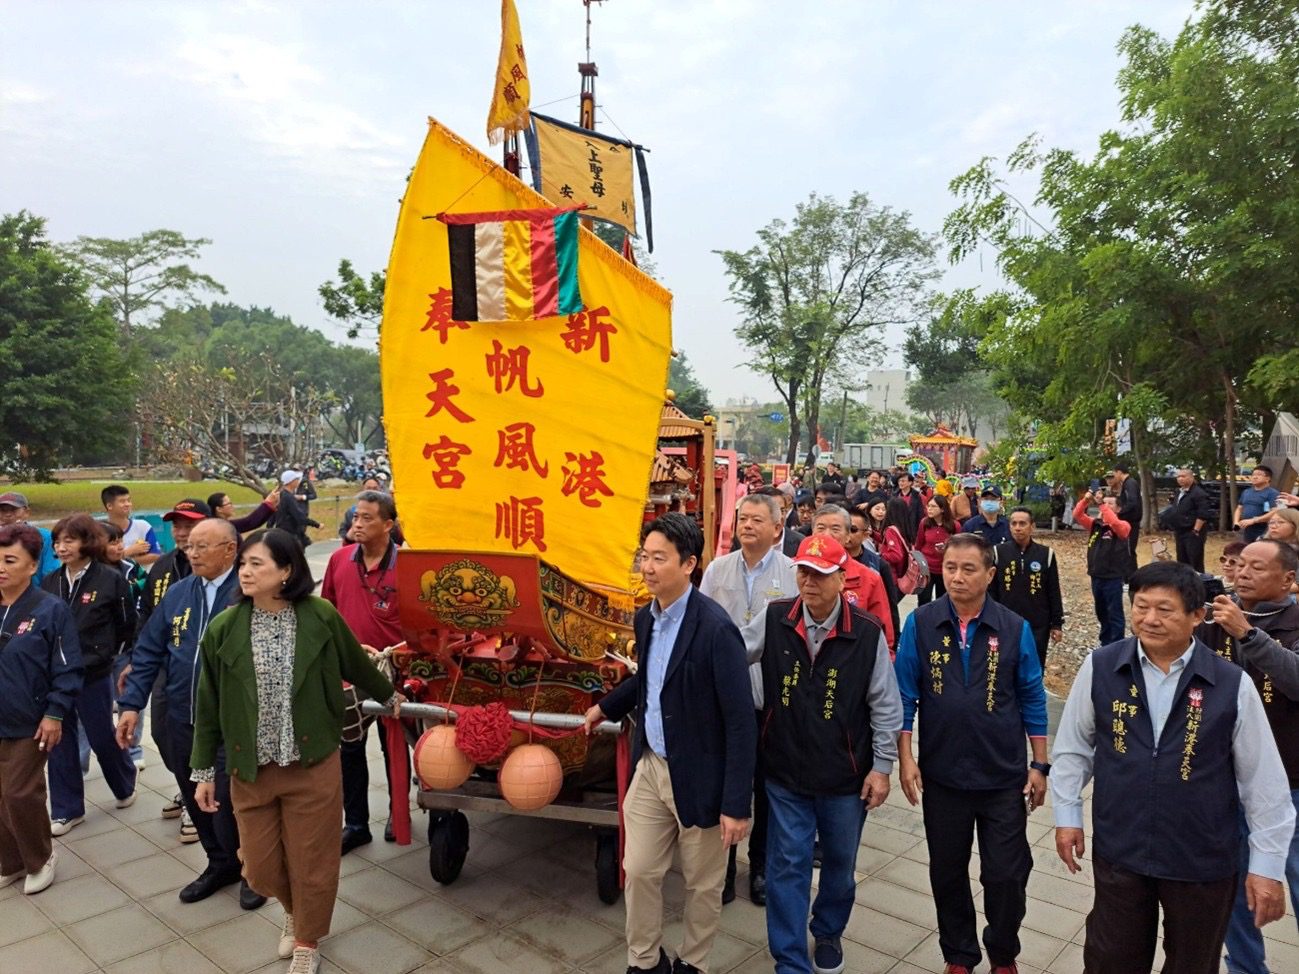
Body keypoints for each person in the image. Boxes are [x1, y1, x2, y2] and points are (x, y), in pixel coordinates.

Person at [1051, 561, 1294, 974]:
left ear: (1197, 615)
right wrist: (1068, 816)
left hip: (1201, 857)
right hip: (1121, 848)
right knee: (1111, 959)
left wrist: (1267, 867)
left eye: (1164, 610)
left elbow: (1263, 783)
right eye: (1141, 606)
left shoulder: (1231, 683)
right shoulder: (1102, 666)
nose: (1149, 619)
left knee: (1192, 963)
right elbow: (1074, 748)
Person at [193, 528, 402, 974]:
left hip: (311, 763)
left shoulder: (319, 615)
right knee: (260, 868)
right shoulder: (224, 628)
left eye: (257, 564)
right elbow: (207, 703)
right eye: (243, 563)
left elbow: (355, 662)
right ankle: (293, 908)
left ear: (286, 571)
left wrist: (389, 696)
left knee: (313, 861)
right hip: (252, 768)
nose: (245, 572)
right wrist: (203, 770)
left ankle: (307, 937)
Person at [583, 513, 755, 974]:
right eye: (645, 556)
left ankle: (693, 962)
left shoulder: (716, 630)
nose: (648, 567)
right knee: (639, 869)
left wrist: (736, 804)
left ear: (689, 564)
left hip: (701, 775)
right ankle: (644, 960)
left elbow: (741, 722)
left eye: (660, 558)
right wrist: (606, 707)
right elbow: (649, 679)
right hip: (653, 764)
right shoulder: (647, 618)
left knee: (703, 884)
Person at [894, 533, 1048, 974]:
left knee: (1006, 873)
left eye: (968, 569)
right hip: (943, 775)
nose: (957, 577)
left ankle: (1003, 951)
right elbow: (905, 694)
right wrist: (906, 758)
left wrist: (1039, 764)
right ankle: (959, 954)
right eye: (950, 568)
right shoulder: (921, 623)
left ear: (989, 574)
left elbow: (1032, 697)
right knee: (947, 871)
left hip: (1002, 776)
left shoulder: (1013, 628)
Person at [759, 533, 900, 974]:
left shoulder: (866, 633)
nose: (809, 582)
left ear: (842, 578)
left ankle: (827, 931)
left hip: (845, 777)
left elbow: (885, 705)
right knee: (787, 865)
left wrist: (881, 767)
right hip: (785, 771)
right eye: (803, 572)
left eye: (820, 574)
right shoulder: (775, 618)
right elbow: (732, 651)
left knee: (839, 864)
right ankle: (789, 958)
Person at [116, 518, 264, 909]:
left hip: (233, 722)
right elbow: (149, 650)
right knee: (193, 791)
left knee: (232, 798)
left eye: (201, 546)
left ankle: (252, 868)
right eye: (188, 547)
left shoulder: (250, 592)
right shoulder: (180, 593)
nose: (191, 553)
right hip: (183, 715)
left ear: (230, 550)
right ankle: (220, 862)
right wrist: (131, 705)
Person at [1192, 540, 1299, 973]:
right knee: (1232, 887)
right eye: (1240, 565)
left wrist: (1249, 635)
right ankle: (1246, 967)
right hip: (1225, 782)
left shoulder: (1291, 622)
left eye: (1257, 567)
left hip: (1291, 781)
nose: (1243, 573)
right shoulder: (1214, 618)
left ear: (1288, 579)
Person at [699, 493, 798, 907]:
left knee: (766, 787)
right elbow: (701, 624)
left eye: (758, 519)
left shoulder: (792, 573)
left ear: (778, 528)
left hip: (770, 697)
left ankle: (760, 867)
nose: (748, 525)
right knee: (725, 782)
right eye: (743, 519)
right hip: (723, 696)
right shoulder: (717, 569)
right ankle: (722, 869)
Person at [320, 490, 407, 853]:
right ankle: (356, 824)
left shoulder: (408, 565)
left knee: (394, 745)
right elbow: (326, 611)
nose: (357, 524)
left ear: (388, 525)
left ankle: (398, 813)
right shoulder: (340, 559)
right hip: (350, 673)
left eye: (367, 518)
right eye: (356, 516)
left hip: (396, 672)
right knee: (350, 749)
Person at [41, 515, 137, 836]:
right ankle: (67, 810)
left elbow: (126, 624)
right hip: (56, 674)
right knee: (59, 739)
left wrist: (112, 656)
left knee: (100, 734)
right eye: (58, 541)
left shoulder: (110, 580)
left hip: (93, 672)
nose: (61, 547)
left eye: (69, 540)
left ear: (87, 541)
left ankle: (124, 783)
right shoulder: (50, 581)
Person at [0, 524, 81, 895]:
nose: (1, 568)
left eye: (9, 560)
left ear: (32, 566)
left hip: (30, 721)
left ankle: (40, 858)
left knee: (19, 793)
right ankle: (11, 861)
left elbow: (68, 668)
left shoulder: (50, 610)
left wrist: (54, 713)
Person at [129, 497, 212, 835]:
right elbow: (147, 617)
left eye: (189, 524)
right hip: (167, 664)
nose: (181, 532)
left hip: (205, 667)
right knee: (164, 733)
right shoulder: (163, 566)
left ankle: (200, 799)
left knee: (200, 734)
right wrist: (136, 661)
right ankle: (188, 786)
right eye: (177, 525)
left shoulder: (221, 568)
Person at [812, 505, 894, 650]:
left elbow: (883, 633)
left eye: (835, 529)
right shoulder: (792, 569)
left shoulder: (870, 578)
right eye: (821, 528)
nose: (827, 535)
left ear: (847, 536)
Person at [991, 508, 1064, 670]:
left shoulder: (1046, 554)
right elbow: (992, 590)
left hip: (1037, 622)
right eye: (1014, 523)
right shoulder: (998, 552)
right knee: (1005, 664)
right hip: (1005, 621)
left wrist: (1056, 624)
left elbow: (1053, 590)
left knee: (1034, 665)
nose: (1018, 528)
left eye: (1022, 523)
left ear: (1032, 526)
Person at [1073, 489, 1132, 646]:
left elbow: (1115, 523)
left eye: (1110, 504)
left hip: (1112, 577)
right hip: (1096, 575)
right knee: (1101, 611)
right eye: (1104, 503)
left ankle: (1117, 644)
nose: (1105, 506)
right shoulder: (1096, 525)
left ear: (1118, 509)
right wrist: (1085, 500)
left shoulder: (1123, 526)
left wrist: (1101, 505)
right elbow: (1077, 515)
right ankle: (1105, 643)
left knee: (1115, 613)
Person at [0, 491, 59, 584]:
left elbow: (51, 572)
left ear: (26, 512)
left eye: (13, 510)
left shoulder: (44, 536)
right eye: (3, 510)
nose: (8, 514)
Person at [101, 484, 162, 567]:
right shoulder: (99, 532)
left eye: (129, 500)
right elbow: (101, 561)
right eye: (122, 501)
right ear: (109, 506)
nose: (127, 504)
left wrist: (123, 559)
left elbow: (155, 555)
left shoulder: (143, 526)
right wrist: (129, 552)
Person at [915, 495, 961, 606]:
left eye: (933, 506)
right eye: (928, 506)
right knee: (924, 600)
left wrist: (947, 549)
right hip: (926, 569)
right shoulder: (924, 523)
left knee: (943, 601)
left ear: (942, 509)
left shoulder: (954, 526)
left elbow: (959, 548)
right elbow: (918, 545)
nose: (929, 509)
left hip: (945, 569)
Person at [1170, 468, 1212, 572]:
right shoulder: (1178, 492)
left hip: (1193, 531)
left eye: (1183, 476)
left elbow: (1203, 514)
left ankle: (1197, 580)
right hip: (1180, 531)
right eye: (1178, 476)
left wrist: (1196, 530)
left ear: (1191, 478)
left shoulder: (1199, 493)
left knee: (1194, 560)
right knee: (1181, 560)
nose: (1180, 479)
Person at [1109, 460, 1142, 568]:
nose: (1114, 477)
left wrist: (1120, 512)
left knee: (1128, 550)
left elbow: (1132, 502)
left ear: (1119, 472)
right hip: (1128, 521)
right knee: (1125, 550)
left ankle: (1131, 575)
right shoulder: (1126, 484)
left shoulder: (1130, 483)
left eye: (1114, 474)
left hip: (1131, 522)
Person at [1235, 465, 1280, 544]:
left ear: (1267, 479)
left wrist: (1254, 520)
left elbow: (1275, 511)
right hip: (1245, 529)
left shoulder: (1273, 493)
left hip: (1263, 530)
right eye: (1253, 475)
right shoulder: (1246, 492)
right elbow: (1239, 508)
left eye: (1259, 474)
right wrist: (1236, 522)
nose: (1255, 477)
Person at [273, 471, 319, 548]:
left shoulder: (282, 494)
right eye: (296, 479)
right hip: (289, 534)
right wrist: (316, 524)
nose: (298, 481)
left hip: (284, 531)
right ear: (291, 481)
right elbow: (299, 517)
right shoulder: (288, 497)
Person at [876, 497, 916, 580]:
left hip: (892, 574)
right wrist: (873, 534)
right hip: (904, 572)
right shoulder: (904, 528)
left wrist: (880, 555)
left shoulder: (891, 530)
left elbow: (896, 555)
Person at [208, 489, 279, 533]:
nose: (232, 506)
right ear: (219, 509)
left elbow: (253, 524)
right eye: (229, 503)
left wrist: (270, 506)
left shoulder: (220, 523)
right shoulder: (220, 527)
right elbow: (248, 522)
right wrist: (267, 503)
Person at [337, 476, 384, 540]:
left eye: (375, 488)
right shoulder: (352, 512)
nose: (372, 492)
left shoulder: (385, 510)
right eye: (368, 488)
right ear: (363, 490)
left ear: (380, 490)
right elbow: (343, 531)